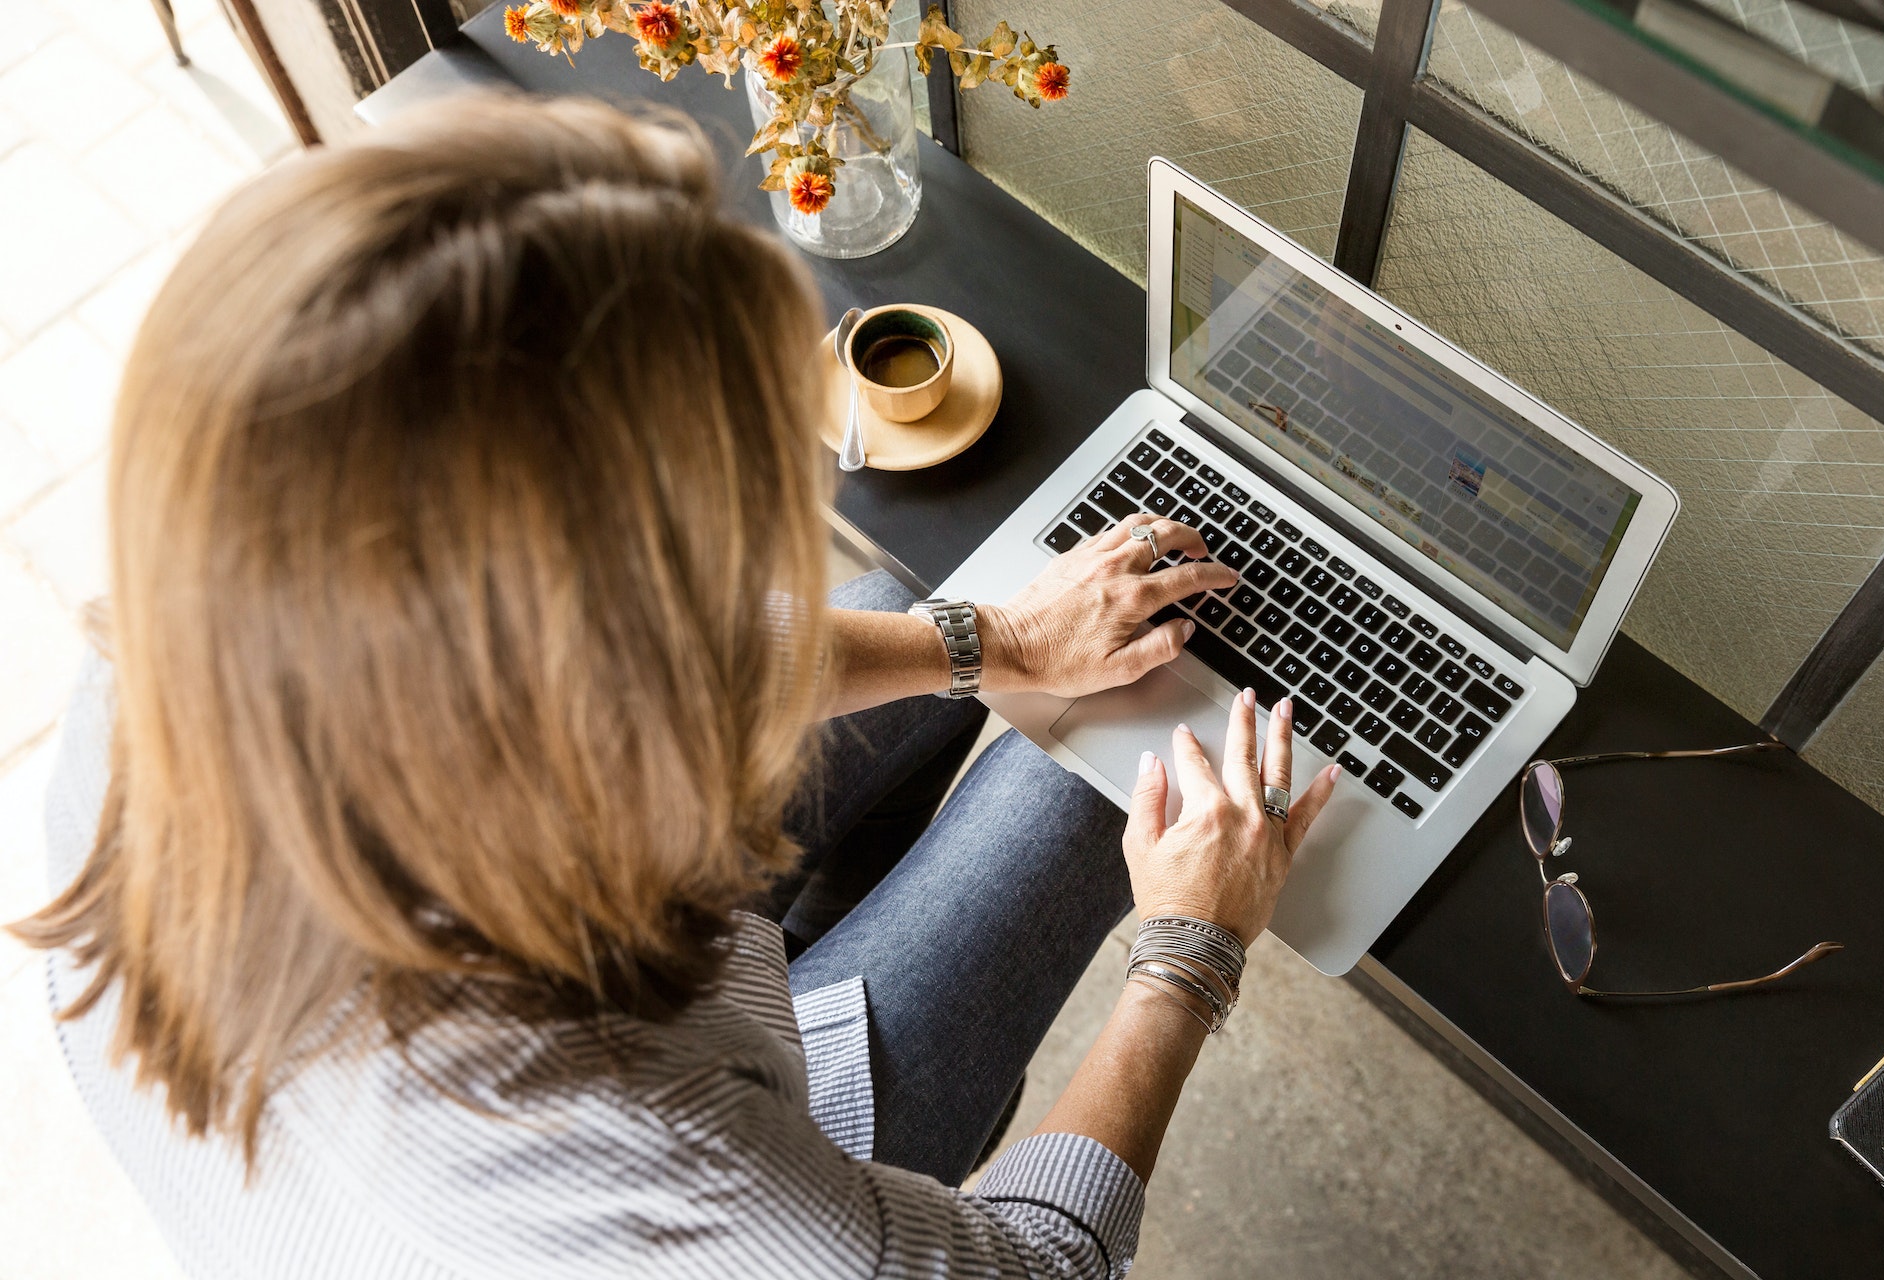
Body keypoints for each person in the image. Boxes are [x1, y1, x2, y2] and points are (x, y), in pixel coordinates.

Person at [10, 94, 1339, 1279]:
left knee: (934, 630)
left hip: (565, 968)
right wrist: (1189, 958)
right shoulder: (645, 1164)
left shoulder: (173, 633)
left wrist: (991, 640)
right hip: (726, 1143)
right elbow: (1025, 1268)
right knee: (1095, 789)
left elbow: (679, 651)